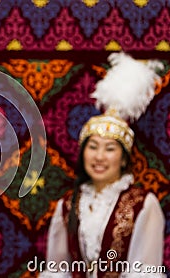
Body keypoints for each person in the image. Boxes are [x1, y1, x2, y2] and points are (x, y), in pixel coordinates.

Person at [40, 53, 166, 277]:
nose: (99, 157)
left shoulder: (143, 205)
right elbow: (57, 270)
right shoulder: (68, 205)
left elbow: (146, 271)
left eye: (110, 149)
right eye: (93, 147)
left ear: (124, 158)